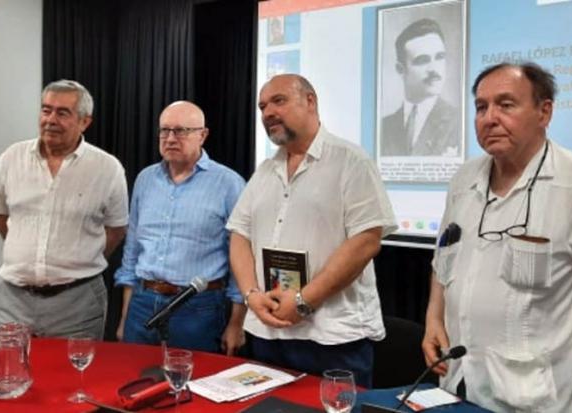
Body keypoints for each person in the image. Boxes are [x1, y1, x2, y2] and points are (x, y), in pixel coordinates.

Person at [422, 62, 572, 412]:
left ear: (545, 112)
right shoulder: (463, 180)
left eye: (506, 104)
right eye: (481, 107)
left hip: (542, 396)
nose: (489, 118)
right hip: (461, 381)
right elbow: (444, 257)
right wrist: (433, 318)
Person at [227, 74, 397, 387]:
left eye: (279, 101)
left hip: (333, 339)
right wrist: (251, 295)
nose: (267, 113)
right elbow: (240, 235)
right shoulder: (265, 171)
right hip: (268, 331)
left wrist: (305, 300)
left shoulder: (351, 161)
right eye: (262, 106)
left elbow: (366, 242)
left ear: (310, 101)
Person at [0, 79, 129, 340]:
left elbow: (116, 229)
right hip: (14, 299)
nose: (50, 119)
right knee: (9, 375)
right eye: (46, 110)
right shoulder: (11, 158)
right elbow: (1, 215)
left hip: (77, 303)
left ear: (85, 122)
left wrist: (78, 258)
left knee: (73, 377)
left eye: (62, 113)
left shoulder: (107, 169)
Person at [114, 101, 246, 355]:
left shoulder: (229, 183)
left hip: (198, 307)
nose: (170, 138)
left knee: (193, 385)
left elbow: (240, 258)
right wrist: (124, 317)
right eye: (165, 131)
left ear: (202, 135)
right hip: (142, 302)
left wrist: (236, 324)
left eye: (181, 131)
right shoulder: (145, 179)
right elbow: (131, 250)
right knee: (134, 377)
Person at [380, 18, 459, 157]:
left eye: (440, 57)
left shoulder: (458, 122)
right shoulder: (384, 127)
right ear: (400, 69)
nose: (434, 69)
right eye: (422, 60)